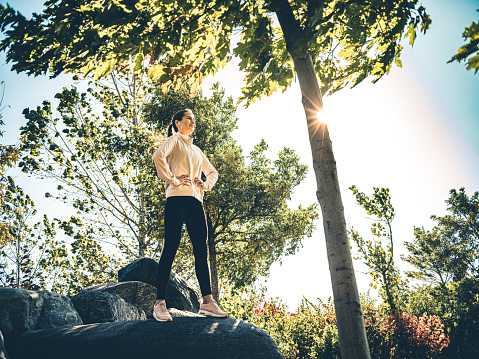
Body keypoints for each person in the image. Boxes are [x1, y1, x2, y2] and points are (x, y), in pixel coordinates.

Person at [151, 109, 228, 322]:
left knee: (200, 250)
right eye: (188, 119)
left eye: (194, 119)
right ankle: (159, 303)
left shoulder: (196, 149)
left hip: (196, 203)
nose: (193, 122)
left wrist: (206, 184)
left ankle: (207, 302)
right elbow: (158, 156)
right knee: (171, 247)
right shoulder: (174, 140)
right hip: (176, 199)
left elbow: (213, 172)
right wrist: (174, 180)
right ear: (177, 123)